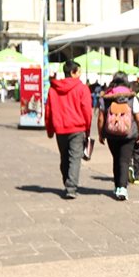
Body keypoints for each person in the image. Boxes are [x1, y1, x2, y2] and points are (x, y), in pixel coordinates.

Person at [45, 61, 93, 200]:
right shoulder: (82, 88)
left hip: (60, 128)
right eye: (79, 72)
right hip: (77, 128)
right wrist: (87, 128)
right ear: (73, 72)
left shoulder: (53, 89)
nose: (80, 74)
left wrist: (50, 129)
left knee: (64, 157)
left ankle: (68, 181)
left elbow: (48, 111)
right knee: (75, 158)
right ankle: (71, 187)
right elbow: (86, 110)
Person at [98, 72, 139, 201]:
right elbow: (138, 117)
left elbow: (101, 118)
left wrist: (101, 133)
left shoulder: (106, 97)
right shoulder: (131, 97)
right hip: (128, 134)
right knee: (124, 160)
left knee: (116, 159)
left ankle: (117, 185)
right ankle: (122, 188)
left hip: (111, 133)